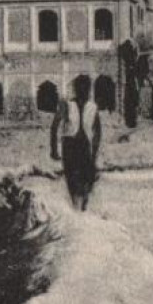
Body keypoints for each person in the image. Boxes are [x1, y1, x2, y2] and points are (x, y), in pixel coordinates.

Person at [50, 75, 103, 211]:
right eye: (80, 87)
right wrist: (54, 149)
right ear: (75, 89)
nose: (83, 90)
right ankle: (75, 208)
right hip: (70, 145)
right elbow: (55, 125)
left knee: (88, 178)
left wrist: (95, 153)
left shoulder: (92, 107)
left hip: (85, 146)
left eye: (86, 87)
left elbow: (97, 132)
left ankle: (84, 207)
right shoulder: (66, 105)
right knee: (72, 178)